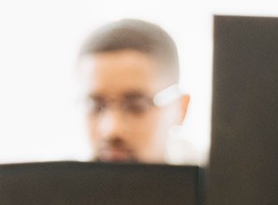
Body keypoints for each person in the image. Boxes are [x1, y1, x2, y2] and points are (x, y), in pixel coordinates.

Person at [78, 18, 196, 164]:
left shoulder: (220, 182)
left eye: (136, 106)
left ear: (181, 108)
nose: (111, 130)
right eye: (95, 106)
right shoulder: (55, 184)